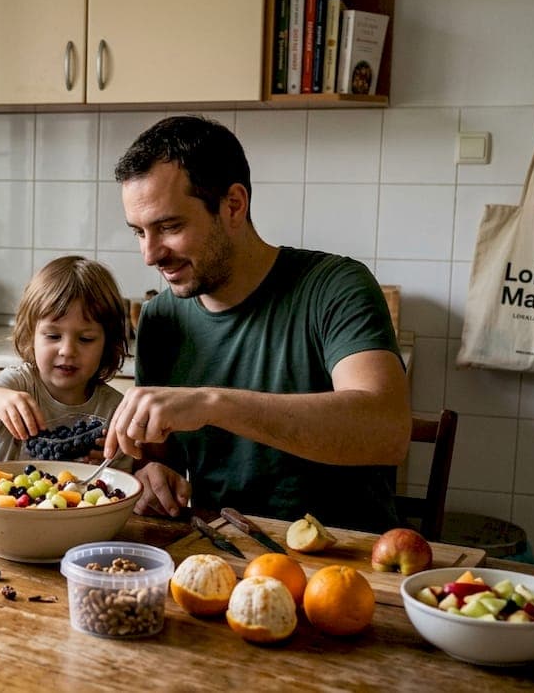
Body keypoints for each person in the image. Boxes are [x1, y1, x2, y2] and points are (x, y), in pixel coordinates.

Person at [102, 115, 410, 534]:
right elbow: (162, 461)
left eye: (169, 227)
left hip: (341, 561)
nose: (150, 254)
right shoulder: (161, 319)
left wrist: (213, 404)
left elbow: (386, 430)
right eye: (139, 232)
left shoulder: (336, 287)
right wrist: (153, 476)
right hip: (221, 549)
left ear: (233, 205)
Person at [0, 255, 132, 472]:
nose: (67, 350)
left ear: (107, 343)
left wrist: (110, 461)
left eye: (86, 339)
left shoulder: (115, 410)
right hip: (11, 504)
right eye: (53, 336)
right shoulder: (21, 384)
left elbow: (123, 483)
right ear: (31, 335)